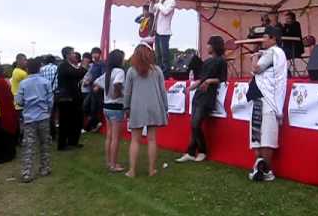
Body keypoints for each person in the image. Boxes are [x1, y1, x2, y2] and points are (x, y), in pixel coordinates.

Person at [176, 36, 228, 163]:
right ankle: (191, 152)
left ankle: (203, 151)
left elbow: (222, 79)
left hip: (208, 96)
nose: (207, 47)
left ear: (214, 46)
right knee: (193, 125)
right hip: (199, 95)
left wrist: (209, 81)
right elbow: (200, 79)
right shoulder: (207, 62)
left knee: (195, 124)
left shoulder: (221, 61)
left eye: (209, 44)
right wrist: (190, 88)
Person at [248, 26, 287, 182]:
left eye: (265, 37)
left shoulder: (273, 52)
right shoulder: (273, 53)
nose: (263, 40)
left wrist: (253, 57)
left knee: (265, 136)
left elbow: (256, 69)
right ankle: (260, 166)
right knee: (258, 135)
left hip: (267, 100)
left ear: (273, 39)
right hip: (260, 98)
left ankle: (266, 169)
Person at [124, 43, 168, 177]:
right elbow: (163, 91)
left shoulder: (131, 71)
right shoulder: (157, 70)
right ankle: (151, 170)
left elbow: (127, 92)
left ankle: (132, 170)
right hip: (154, 107)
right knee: (152, 140)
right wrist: (165, 108)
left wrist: (126, 107)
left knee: (135, 140)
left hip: (137, 108)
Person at [15, 58, 54, 183]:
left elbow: (19, 101)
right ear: (39, 68)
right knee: (44, 144)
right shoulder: (46, 82)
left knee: (29, 146)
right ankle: (45, 168)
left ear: (27, 69)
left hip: (29, 119)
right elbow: (50, 101)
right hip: (43, 117)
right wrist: (47, 110)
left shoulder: (23, 84)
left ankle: (27, 172)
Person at [93, 50, 125, 172]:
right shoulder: (120, 72)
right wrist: (119, 94)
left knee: (109, 136)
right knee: (116, 138)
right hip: (116, 107)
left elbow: (96, 82)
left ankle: (109, 162)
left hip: (106, 107)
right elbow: (117, 84)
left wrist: (107, 90)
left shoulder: (108, 72)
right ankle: (113, 164)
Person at [56, 47, 88, 151]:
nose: (75, 55)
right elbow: (77, 74)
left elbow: (78, 76)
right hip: (66, 99)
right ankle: (62, 144)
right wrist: (84, 66)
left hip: (75, 98)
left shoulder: (72, 66)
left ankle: (73, 141)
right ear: (67, 55)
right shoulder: (63, 66)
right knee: (65, 121)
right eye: (73, 53)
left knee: (77, 120)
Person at [149, 0, 176, 77]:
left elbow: (165, 12)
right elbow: (151, 11)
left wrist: (158, 3)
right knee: (158, 55)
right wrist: (152, 2)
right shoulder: (160, 1)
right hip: (157, 31)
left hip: (165, 32)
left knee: (165, 55)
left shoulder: (171, 2)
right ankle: (159, 73)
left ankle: (166, 75)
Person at [83, 47, 106, 132]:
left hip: (98, 88)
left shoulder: (102, 63)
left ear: (100, 54)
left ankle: (91, 126)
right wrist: (88, 82)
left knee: (94, 107)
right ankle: (95, 123)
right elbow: (92, 76)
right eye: (93, 53)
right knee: (87, 106)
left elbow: (104, 75)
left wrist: (98, 86)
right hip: (92, 87)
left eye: (96, 53)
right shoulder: (93, 65)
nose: (94, 55)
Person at [40, 55, 58, 140]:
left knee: (47, 114)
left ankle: (48, 133)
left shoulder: (42, 69)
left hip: (45, 94)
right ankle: (55, 133)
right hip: (56, 93)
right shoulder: (57, 68)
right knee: (55, 114)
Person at [11, 53, 28, 145]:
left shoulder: (15, 71)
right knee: (23, 123)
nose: (26, 62)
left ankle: (17, 140)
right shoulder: (22, 73)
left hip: (16, 100)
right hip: (21, 102)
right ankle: (20, 140)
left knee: (18, 123)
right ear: (19, 61)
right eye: (25, 60)